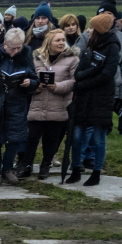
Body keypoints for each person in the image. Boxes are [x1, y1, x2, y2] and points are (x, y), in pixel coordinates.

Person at [24, 29, 78, 179]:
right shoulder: (36, 58)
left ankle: (45, 165)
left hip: (58, 105)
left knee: (51, 139)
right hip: (37, 105)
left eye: (63, 40)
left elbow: (75, 81)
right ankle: (26, 165)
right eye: (57, 40)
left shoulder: (72, 59)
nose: (61, 43)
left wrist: (58, 86)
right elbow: (29, 77)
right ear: (49, 42)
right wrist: (35, 86)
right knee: (32, 137)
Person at [0, 27, 35, 185]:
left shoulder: (26, 56)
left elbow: (34, 78)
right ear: (5, 44)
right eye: (12, 48)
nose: (16, 51)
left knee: (14, 140)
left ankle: (7, 169)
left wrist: (29, 82)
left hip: (17, 104)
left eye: (19, 47)